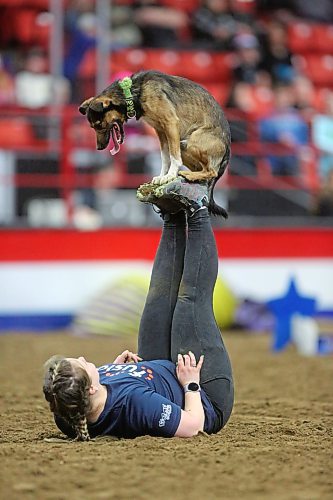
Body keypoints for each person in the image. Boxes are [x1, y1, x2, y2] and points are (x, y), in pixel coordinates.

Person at [43, 178, 234, 440]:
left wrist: (115, 369)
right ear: (90, 389)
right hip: (205, 397)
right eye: (83, 364)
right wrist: (191, 384)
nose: (86, 360)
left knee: (157, 297)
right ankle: (199, 208)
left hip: (157, 371)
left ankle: (172, 213)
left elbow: (96, 406)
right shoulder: (134, 403)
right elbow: (192, 427)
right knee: (189, 301)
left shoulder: (67, 411)